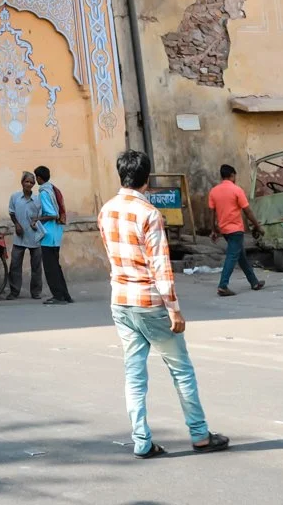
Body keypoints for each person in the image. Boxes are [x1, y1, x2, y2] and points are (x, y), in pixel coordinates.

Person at [100, 150, 229, 459]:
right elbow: (160, 267)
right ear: (147, 179)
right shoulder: (149, 214)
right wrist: (174, 309)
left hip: (120, 300)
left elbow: (111, 255)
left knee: (134, 373)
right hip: (149, 302)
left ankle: (141, 441)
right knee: (181, 370)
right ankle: (199, 434)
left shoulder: (106, 210)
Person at [207, 164, 264, 297]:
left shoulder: (214, 191)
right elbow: (247, 211)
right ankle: (223, 285)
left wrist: (213, 230)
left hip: (224, 230)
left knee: (241, 256)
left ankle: (254, 282)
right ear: (232, 175)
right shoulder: (237, 190)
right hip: (236, 230)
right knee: (232, 257)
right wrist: (257, 226)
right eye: (235, 176)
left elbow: (212, 213)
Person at [34, 165, 73, 304]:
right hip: (56, 233)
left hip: (48, 235)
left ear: (39, 178)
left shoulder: (44, 192)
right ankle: (65, 295)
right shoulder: (53, 189)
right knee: (56, 266)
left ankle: (58, 296)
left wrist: (37, 219)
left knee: (50, 268)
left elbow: (51, 214)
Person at [5, 171, 44, 300]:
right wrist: (16, 224)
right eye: (26, 181)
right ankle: (14, 291)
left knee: (36, 266)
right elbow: (11, 212)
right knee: (15, 265)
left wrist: (36, 222)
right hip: (19, 237)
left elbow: (42, 215)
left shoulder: (38, 199)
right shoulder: (15, 197)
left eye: (31, 182)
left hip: (35, 236)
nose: (29, 184)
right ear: (22, 183)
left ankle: (36, 292)